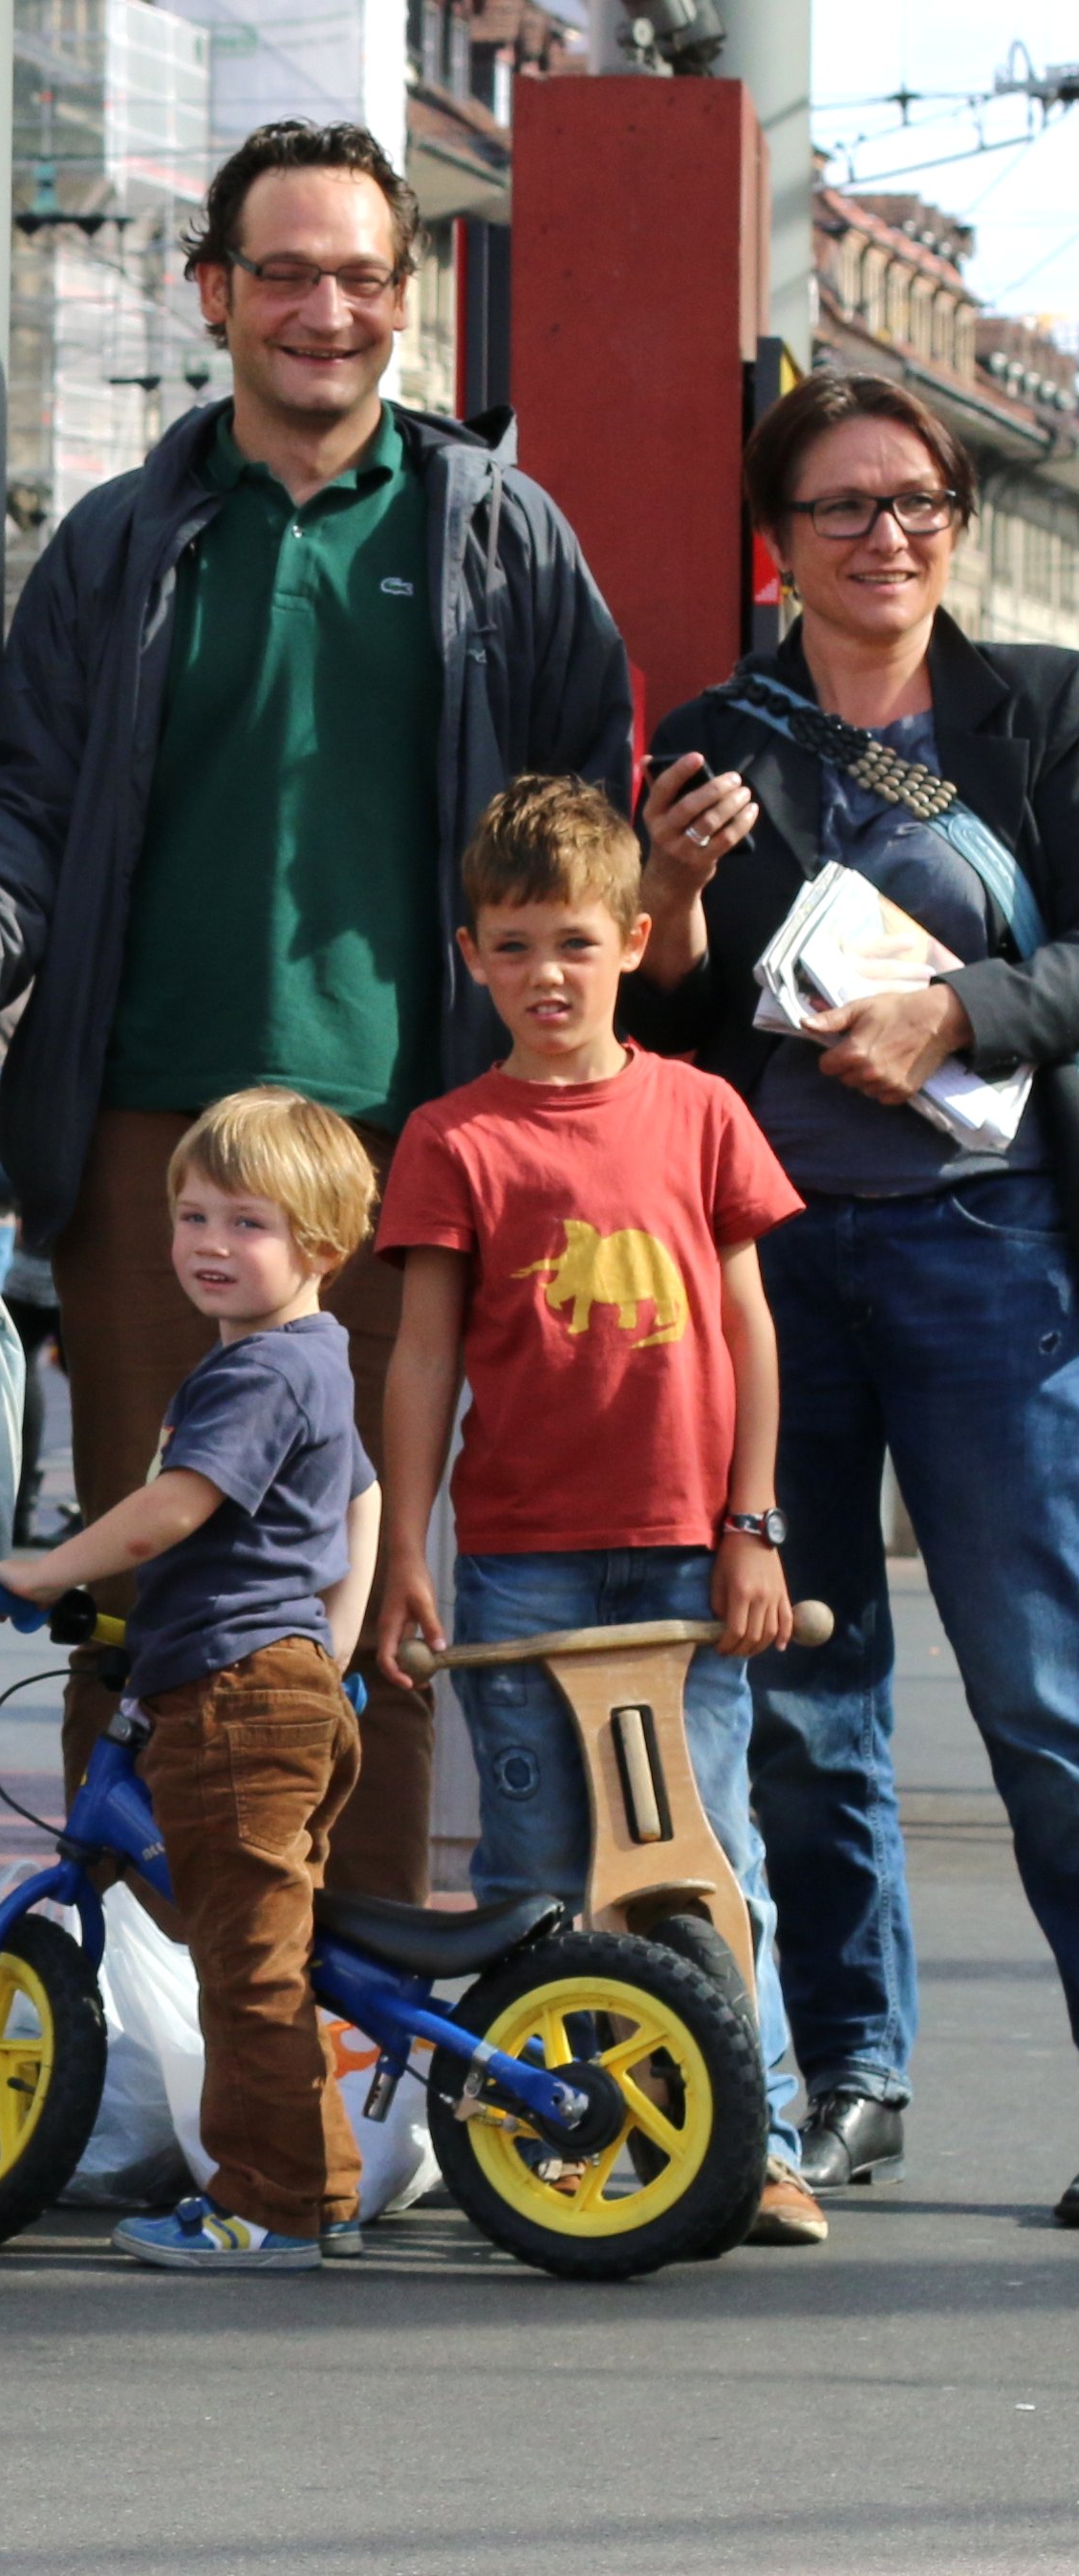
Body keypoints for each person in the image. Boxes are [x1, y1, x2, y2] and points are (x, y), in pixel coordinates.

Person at [0, 119, 634, 1905]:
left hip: (406, 1143)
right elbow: (31, 801)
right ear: (209, 293)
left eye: (359, 276)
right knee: (140, 1590)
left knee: (358, 1602)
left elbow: (578, 817)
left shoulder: (496, 540)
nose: (321, 311)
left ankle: (338, 2018)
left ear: (403, 300)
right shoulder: (123, 543)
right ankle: (133, 2016)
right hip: (153, 1137)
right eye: (281, 273)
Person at [624, 369, 1079, 2219]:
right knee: (809, 1692)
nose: (885, 537)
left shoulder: (1037, 709)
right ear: (778, 537)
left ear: (953, 523)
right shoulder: (717, 733)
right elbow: (654, 1013)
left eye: (916, 503)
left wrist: (956, 1009)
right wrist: (663, 884)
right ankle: (849, 2074)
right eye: (843, 508)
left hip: (991, 1252)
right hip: (769, 1264)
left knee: (1045, 1692)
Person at [366, 774, 822, 2246]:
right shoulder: (453, 1138)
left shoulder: (701, 1112)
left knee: (705, 1859)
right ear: (468, 952)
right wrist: (403, 1560)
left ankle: (755, 2142)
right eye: (511, 944)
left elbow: (753, 1333)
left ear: (632, 939)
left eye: (571, 940)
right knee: (532, 1873)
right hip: (518, 1566)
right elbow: (423, 1356)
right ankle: (541, 2130)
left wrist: (752, 1526)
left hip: (688, 1556)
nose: (543, 974)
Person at [0, 1088, 380, 2272]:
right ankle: (320, 2185)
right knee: (272, 1946)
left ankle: (268, 2205)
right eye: (192, 1216)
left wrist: (42, 1566)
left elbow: (171, 1510)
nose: (210, 1244)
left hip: (234, 1695)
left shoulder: (255, 1374)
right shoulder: (319, 1359)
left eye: (247, 1224)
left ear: (319, 1244)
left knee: (242, 1962)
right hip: (284, 1679)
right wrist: (334, 1648)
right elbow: (358, 1501)